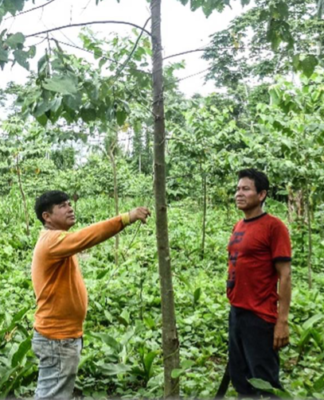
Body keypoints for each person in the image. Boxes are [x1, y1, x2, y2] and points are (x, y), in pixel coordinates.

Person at [31, 190, 150, 400]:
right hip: (57, 339)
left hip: (62, 337)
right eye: (62, 206)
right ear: (46, 217)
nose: (70, 208)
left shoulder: (59, 241)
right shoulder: (52, 241)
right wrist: (126, 217)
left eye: (69, 203)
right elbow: (87, 236)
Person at [227, 169, 292, 397]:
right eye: (237, 189)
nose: (239, 194)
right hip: (237, 313)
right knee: (239, 376)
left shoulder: (274, 227)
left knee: (264, 380)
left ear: (262, 194)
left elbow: (285, 275)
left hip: (260, 317)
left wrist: (282, 322)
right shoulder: (238, 226)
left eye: (246, 189)